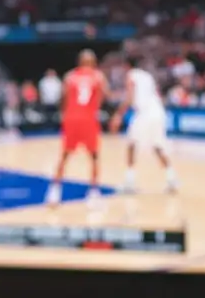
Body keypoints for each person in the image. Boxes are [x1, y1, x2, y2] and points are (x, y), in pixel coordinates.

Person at [46, 50, 106, 207]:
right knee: (94, 157)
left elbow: (63, 99)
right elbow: (100, 99)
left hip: (71, 119)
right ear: (93, 62)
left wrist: (65, 117)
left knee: (64, 156)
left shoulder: (69, 76)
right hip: (88, 120)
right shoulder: (98, 77)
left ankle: (55, 191)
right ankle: (93, 191)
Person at [109, 56, 179, 193]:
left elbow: (130, 98)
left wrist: (118, 115)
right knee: (158, 147)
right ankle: (172, 180)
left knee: (131, 145)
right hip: (158, 111)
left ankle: (129, 182)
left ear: (126, 66)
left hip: (145, 113)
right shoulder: (147, 76)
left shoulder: (131, 75)